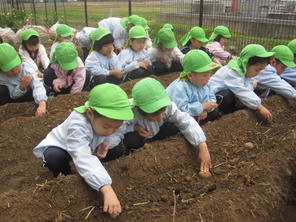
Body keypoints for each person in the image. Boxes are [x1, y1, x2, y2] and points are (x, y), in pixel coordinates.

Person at [33, 83, 134, 217]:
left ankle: (91, 171)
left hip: (88, 145)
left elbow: (119, 128)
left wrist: (106, 142)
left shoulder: (111, 118)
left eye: (115, 127)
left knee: (117, 149)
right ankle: (66, 176)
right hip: (63, 146)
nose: (111, 131)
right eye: (106, 127)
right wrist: (105, 187)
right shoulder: (78, 125)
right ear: (90, 113)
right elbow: (82, 156)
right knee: (53, 158)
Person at [123, 77, 212, 172]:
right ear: (139, 109)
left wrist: (202, 145)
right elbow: (119, 128)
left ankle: (155, 139)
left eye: (162, 111)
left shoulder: (168, 106)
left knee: (175, 125)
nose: (160, 116)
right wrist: (134, 127)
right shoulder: (130, 112)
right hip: (141, 135)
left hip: (158, 130)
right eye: (155, 114)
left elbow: (185, 120)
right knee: (131, 140)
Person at [208, 44, 274, 121]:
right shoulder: (233, 72)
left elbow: (247, 86)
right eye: (257, 70)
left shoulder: (244, 70)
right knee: (227, 96)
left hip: (222, 94)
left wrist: (243, 100)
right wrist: (259, 106)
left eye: (260, 70)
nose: (258, 73)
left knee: (241, 96)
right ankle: (218, 115)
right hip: (210, 97)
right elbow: (241, 90)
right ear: (246, 63)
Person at [167, 50, 221, 125]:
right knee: (179, 123)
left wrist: (206, 109)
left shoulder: (205, 82)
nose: (208, 77)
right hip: (179, 114)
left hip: (199, 110)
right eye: (205, 75)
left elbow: (211, 96)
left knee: (215, 111)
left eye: (210, 73)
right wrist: (201, 107)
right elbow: (181, 109)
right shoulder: (180, 87)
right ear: (190, 75)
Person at [0, 43, 47, 116]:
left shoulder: (25, 67)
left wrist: (42, 104)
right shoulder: (2, 77)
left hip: (30, 93)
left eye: (16, 66)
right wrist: (21, 86)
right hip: (16, 98)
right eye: (10, 70)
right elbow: (13, 95)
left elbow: (37, 84)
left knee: (45, 87)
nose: (15, 71)